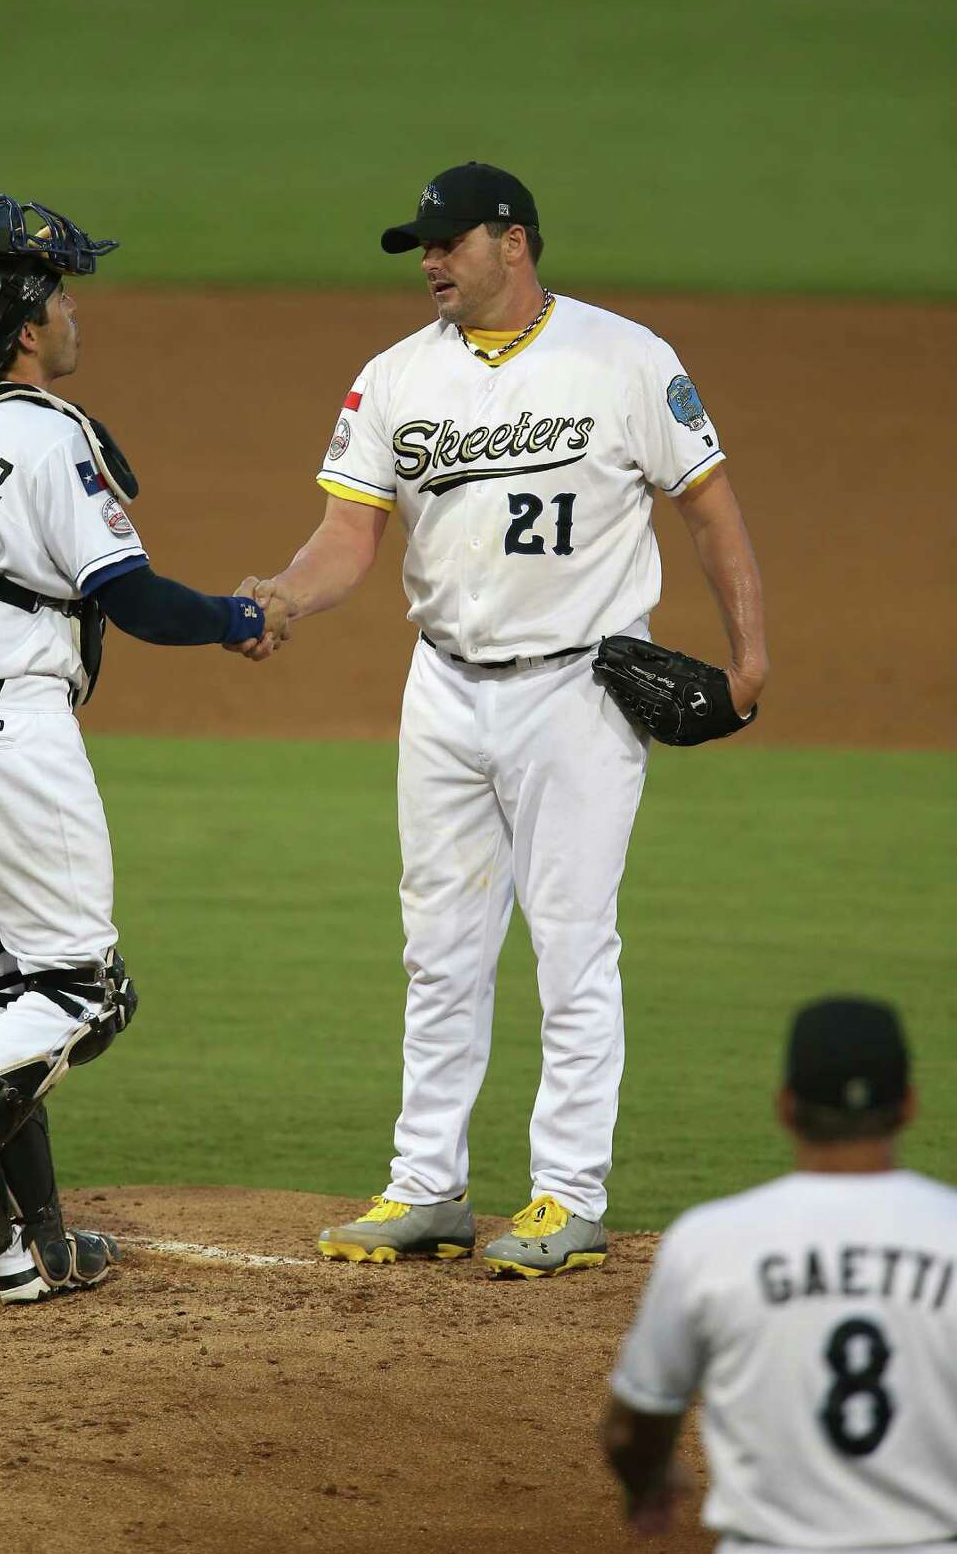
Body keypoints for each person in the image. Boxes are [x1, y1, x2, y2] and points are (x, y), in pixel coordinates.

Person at [233, 161, 767, 1274]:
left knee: (572, 946)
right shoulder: (392, 379)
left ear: (511, 241)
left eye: (447, 243)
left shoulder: (624, 358)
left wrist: (749, 653)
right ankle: (426, 1185)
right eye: (421, 248)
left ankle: (568, 1195)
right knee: (440, 949)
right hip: (443, 689)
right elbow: (350, 536)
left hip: (578, 692)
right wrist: (286, 591)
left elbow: (710, 507)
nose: (430, 263)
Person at [0, 195, 287, 1321]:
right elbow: (124, 597)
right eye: (66, 295)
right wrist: (238, 620)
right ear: (29, 323)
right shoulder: (47, 436)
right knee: (86, 993)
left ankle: (31, 1253)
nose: (78, 312)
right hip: (7, 739)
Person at [604, 997, 957, 1551]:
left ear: (786, 1106)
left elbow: (631, 1428)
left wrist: (646, 1482)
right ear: (909, 1105)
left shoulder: (710, 1240)